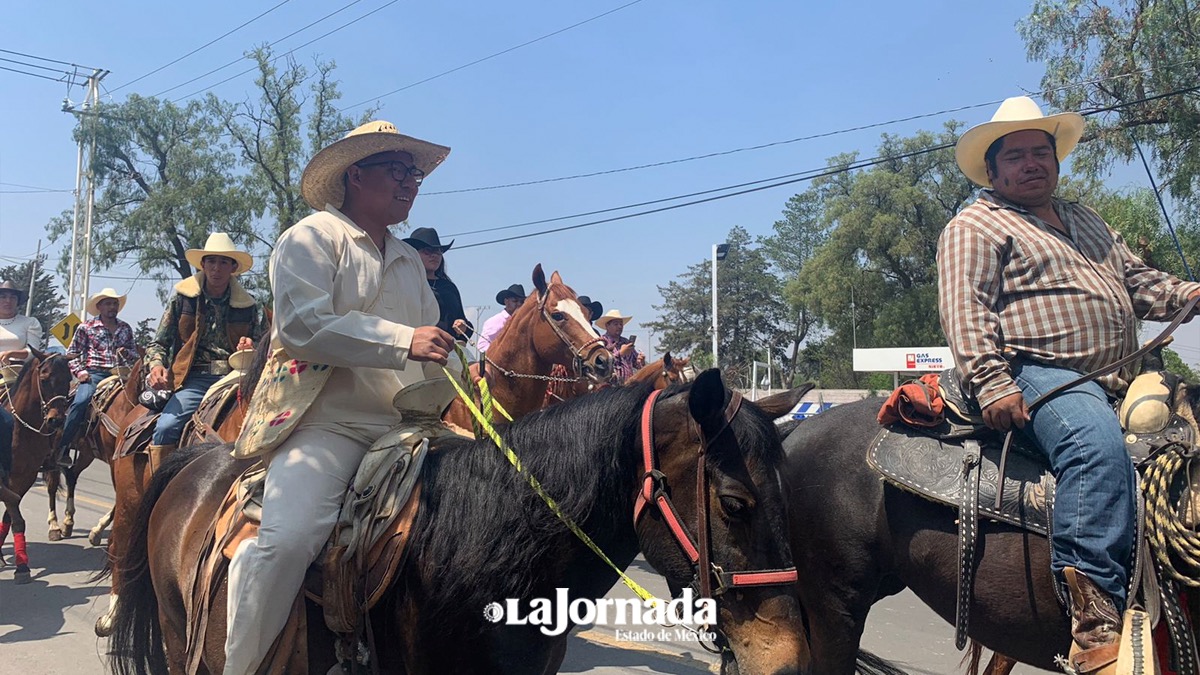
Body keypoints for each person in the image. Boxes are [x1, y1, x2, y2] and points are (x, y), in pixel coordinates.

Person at [938, 96, 1200, 675]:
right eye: (1017, 156)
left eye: (1042, 153)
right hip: (1038, 372)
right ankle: (1095, 615)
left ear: (1056, 162)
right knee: (1095, 447)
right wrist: (991, 382)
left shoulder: (1085, 220)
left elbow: (1140, 282)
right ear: (993, 169)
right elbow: (966, 307)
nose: (1033, 164)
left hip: (1119, 374)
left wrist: (1189, 294)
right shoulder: (977, 224)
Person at [223, 120, 459, 675]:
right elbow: (304, 327)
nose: (410, 185)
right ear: (356, 175)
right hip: (328, 422)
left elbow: (432, 346)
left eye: (415, 174)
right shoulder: (310, 237)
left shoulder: (407, 260)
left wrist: (462, 384)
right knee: (287, 541)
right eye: (398, 171)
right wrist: (405, 340)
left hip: (408, 426)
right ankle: (238, 665)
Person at [144, 232, 267, 468]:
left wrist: (251, 347)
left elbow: (262, 345)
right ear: (203, 265)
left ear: (233, 268)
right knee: (166, 427)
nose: (216, 268)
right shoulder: (183, 299)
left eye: (223, 262)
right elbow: (158, 343)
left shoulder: (250, 305)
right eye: (211, 261)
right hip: (194, 379)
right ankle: (157, 491)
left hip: (236, 378)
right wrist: (157, 365)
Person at [55, 288, 138, 467]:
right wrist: (80, 373)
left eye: (115, 303)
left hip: (122, 374)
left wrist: (127, 352)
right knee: (80, 401)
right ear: (99, 306)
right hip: (95, 373)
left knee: (143, 401)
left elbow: (135, 353)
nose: (112, 307)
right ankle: (64, 447)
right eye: (108, 303)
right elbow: (72, 354)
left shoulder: (125, 328)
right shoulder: (86, 327)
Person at [0, 280, 43, 479]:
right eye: (3, 296)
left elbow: (33, 352)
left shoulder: (29, 322)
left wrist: (12, 353)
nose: (7, 301)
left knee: (55, 410)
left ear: (18, 301)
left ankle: (54, 453)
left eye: (12, 297)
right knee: (6, 420)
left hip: (21, 377)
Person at [403, 226, 473, 341]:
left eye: (438, 252)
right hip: (411, 347)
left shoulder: (449, 288)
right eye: (427, 251)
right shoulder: (404, 283)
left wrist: (462, 326)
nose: (434, 255)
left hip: (446, 350)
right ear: (413, 254)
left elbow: (466, 326)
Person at [594, 309, 644, 383]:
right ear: (607, 325)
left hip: (628, 385)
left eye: (621, 324)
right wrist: (620, 354)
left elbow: (636, 364)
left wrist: (640, 360)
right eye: (616, 324)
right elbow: (601, 363)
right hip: (610, 387)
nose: (619, 327)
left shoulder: (626, 342)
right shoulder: (601, 342)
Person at [476, 283, 525, 353]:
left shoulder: (524, 322)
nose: (519, 304)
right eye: (515, 301)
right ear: (506, 301)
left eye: (522, 301)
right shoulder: (494, 321)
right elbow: (482, 346)